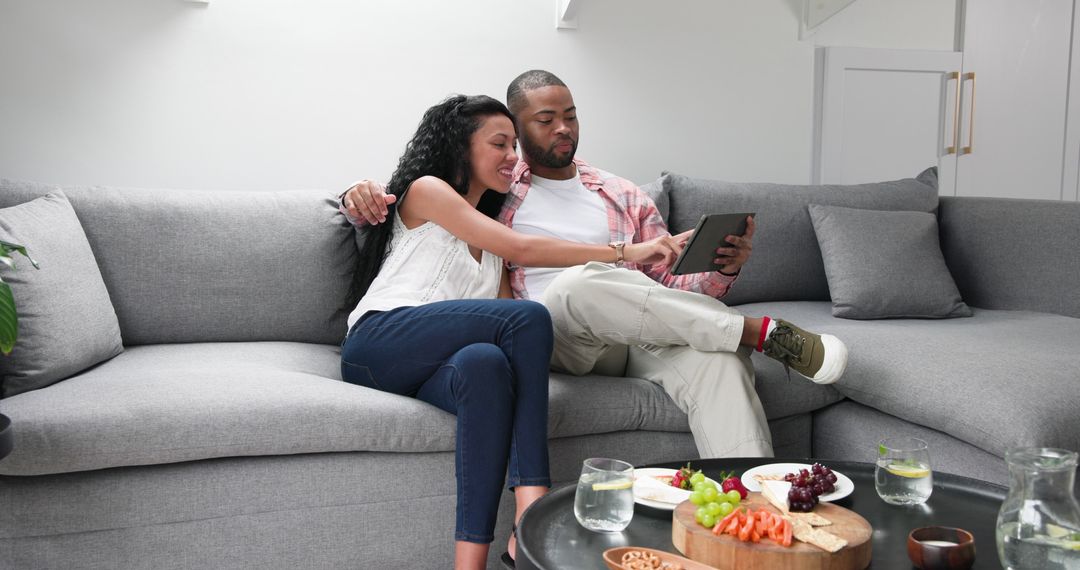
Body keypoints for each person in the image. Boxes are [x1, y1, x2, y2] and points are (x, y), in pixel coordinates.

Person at [341, 70, 849, 461]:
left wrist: (723, 269)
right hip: (561, 336)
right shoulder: (494, 187)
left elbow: (671, 287)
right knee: (579, 284)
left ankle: (750, 516)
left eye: (571, 115)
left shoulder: (623, 194)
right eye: (544, 120)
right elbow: (408, 200)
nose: (563, 128)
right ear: (513, 128)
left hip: (641, 331)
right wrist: (354, 195)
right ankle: (756, 331)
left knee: (719, 363)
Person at [338, 94, 681, 570]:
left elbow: (506, 320)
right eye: (499, 144)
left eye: (514, 145)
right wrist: (626, 253)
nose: (512, 157)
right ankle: (531, 515)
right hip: (378, 343)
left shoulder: (493, 247)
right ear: (461, 147)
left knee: (487, 364)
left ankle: (474, 562)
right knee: (528, 317)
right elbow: (522, 249)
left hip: (433, 365)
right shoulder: (429, 191)